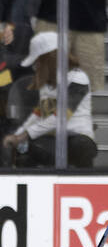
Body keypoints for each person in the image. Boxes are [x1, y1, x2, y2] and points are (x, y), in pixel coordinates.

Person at [2, 32, 96, 168]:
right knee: (26, 150)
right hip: (52, 138)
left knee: (81, 146)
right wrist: (18, 135)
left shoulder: (78, 79)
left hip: (77, 138)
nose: (36, 67)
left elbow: (61, 116)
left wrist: (25, 135)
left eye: (38, 62)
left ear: (49, 59)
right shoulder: (47, 84)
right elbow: (38, 113)